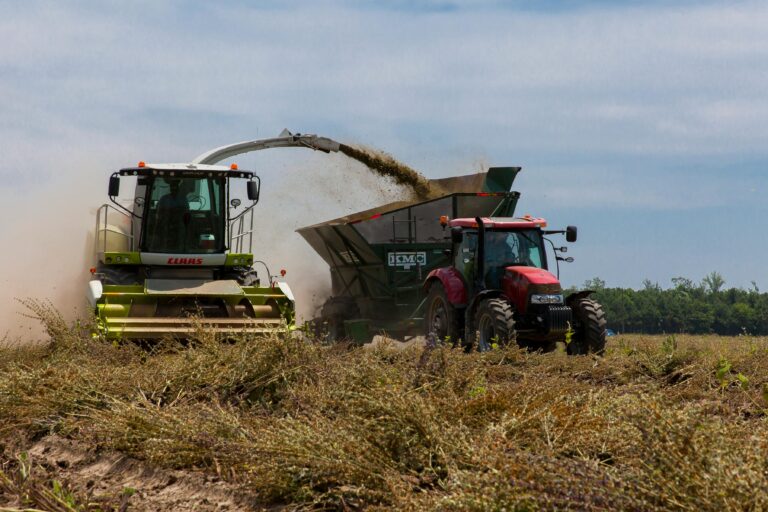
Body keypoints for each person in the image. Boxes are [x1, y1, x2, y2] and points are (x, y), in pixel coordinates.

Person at [153, 179, 190, 252]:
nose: (174, 189)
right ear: (170, 188)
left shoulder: (183, 198)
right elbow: (158, 210)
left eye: (175, 187)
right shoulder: (164, 198)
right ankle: (163, 247)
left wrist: (175, 210)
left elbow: (186, 211)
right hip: (166, 221)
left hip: (180, 222)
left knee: (184, 229)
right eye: (172, 187)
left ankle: (182, 248)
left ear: (178, 188)